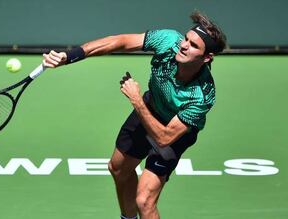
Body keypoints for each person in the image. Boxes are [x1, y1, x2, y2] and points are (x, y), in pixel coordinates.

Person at [42, 10, 226, 219]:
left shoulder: (202, 95)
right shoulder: (168, 41)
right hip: (151, 106)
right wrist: (70, 56)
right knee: (118, 169)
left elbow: (164, 138)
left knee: (145, 201)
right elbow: (119, 41)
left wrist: (137, 101)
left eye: (194, 46)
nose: (184, 45)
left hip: (173, 132)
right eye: (186, 39)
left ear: (207, 57)